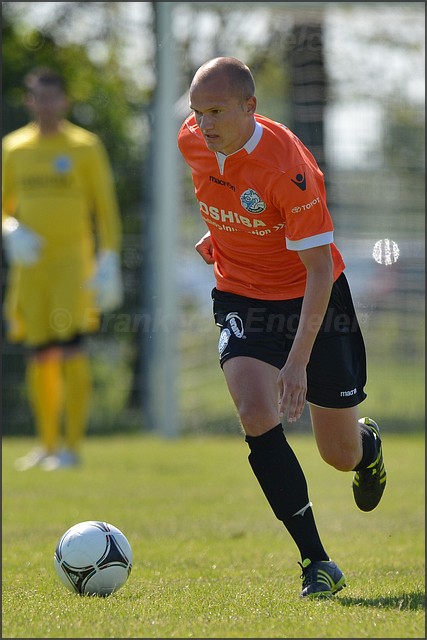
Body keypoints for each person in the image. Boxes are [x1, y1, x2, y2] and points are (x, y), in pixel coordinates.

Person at [177, 57, 387, 598]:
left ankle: (367, 448)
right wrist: (220, 239)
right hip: (242, 294)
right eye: (198, 113)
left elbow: (319, 270)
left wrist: (296, 363)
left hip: (315, 298)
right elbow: (221, 191)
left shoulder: (290, 168)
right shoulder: (193, 140)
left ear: (252, 107)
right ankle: (316, 561)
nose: (205, 124)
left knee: (337, 455)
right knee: (253, 408)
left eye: (217, 111)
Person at [2, 67, 123, 471]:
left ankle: (72, 447)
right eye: (39, 97)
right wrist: (9, 228)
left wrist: (109, 256)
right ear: (29, 101)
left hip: (73, 263)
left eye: (53, 97)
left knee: (71, 346)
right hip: (32, 267)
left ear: (65, 101)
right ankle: (46, 445)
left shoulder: (84, 146)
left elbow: (104, 206)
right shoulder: (14, 148)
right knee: (40, 353)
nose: (46, 105)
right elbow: (3, 205)